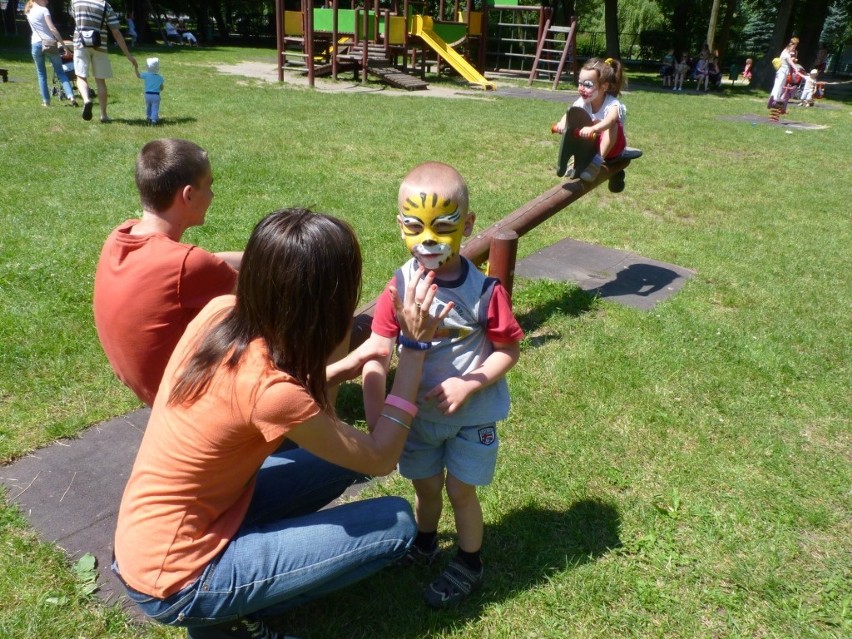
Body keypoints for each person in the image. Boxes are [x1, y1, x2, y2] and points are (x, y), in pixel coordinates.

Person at [114, 207, 450, 638]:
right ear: (326, 304)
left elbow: (250, 399)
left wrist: (338, 368)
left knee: (340, 460)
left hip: (153, 537)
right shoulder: (272, 393)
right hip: (175, 581)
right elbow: (382, 457)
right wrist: (416, 348)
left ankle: (234, 588)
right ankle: (223, 619)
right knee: (398, 524)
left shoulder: (220, 312)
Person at [362, 162, 524, 608]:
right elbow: (378, 350)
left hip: (473, 417)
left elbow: (508, 351)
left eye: (444, 226)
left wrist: (468, 384)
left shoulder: (485, 292)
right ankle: (426, 542)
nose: (428, 239)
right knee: (427, 488)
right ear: (400, 226)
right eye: (414, 226)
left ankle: (470, 562)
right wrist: (378, 420)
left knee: (460, 491)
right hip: (418, 420)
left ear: (468, 226)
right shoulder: (397, 288)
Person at [93, 139, 242, 407]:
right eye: (209, 185)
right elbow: (266, 293)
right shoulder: (186, 264)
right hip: (188, 404)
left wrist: (256, 256)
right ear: (188, 195)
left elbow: (206, 263)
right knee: (316, 314)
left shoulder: (121, 235)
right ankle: (318, 425)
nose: (212, 195)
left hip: (152, 391)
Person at [553, 57, 627, 183]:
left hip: (613, 149)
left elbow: (611, 120)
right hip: (591, 146)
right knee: (576, 120)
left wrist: (593, 128)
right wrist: (562, 123)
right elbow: (571, 113)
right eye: (580, 83)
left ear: (604, 86)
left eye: (587, 85)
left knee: (613, 125)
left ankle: (596, 163)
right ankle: (577, 161)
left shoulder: (612, 104)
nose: (581, 88)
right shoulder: (583, 102)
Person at [71, 0, 137, 123]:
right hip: (99, 46)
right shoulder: (105, 5)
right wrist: (128, 55)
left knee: (80, 77)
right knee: (100, 81)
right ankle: (103, 115)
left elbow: (76, 21)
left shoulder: (75, 2)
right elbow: (116, 32)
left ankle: (87, 100)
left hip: (80, 44)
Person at [24, 0, 77, 107]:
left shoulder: (28, 11)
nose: (47, 1)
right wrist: (64, 45)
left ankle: (46, 101)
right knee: (60, 72)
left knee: (41, 74)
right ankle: (71, 96)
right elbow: (52, 28)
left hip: (35, 43)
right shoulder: (44, 10)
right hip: (49, 43)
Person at [769, 37, 799, 115]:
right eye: (793, 47)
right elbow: (790, 62)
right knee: (778, 84)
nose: (794, 49)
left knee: (781, 85)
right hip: (782, 71)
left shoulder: (786, 52)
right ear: (791, 46)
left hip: (785, 71)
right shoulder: (786, 53)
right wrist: (796, 69)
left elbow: (790, 60)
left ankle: (776, 98)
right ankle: (774, 98)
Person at [135, 57, 164, 124]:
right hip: (156, 95)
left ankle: (148, 116)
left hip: (147, 95)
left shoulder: (146, 75)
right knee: (155, 107)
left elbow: (138, 75)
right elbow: (161, 87)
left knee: (149, 106)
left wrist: (136, 68)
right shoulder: (160, 77)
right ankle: (153, 119)